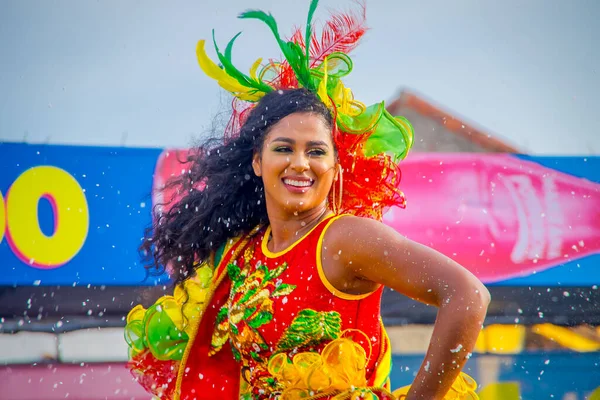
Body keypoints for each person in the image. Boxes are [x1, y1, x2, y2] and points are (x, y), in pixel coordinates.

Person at [124, 1, 490, 399]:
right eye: (284, 148)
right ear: (257, 161)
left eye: (316, 152)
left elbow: (468, 295)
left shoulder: (344, 238)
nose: (300, 164)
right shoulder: (243, 253)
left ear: (335, 167)